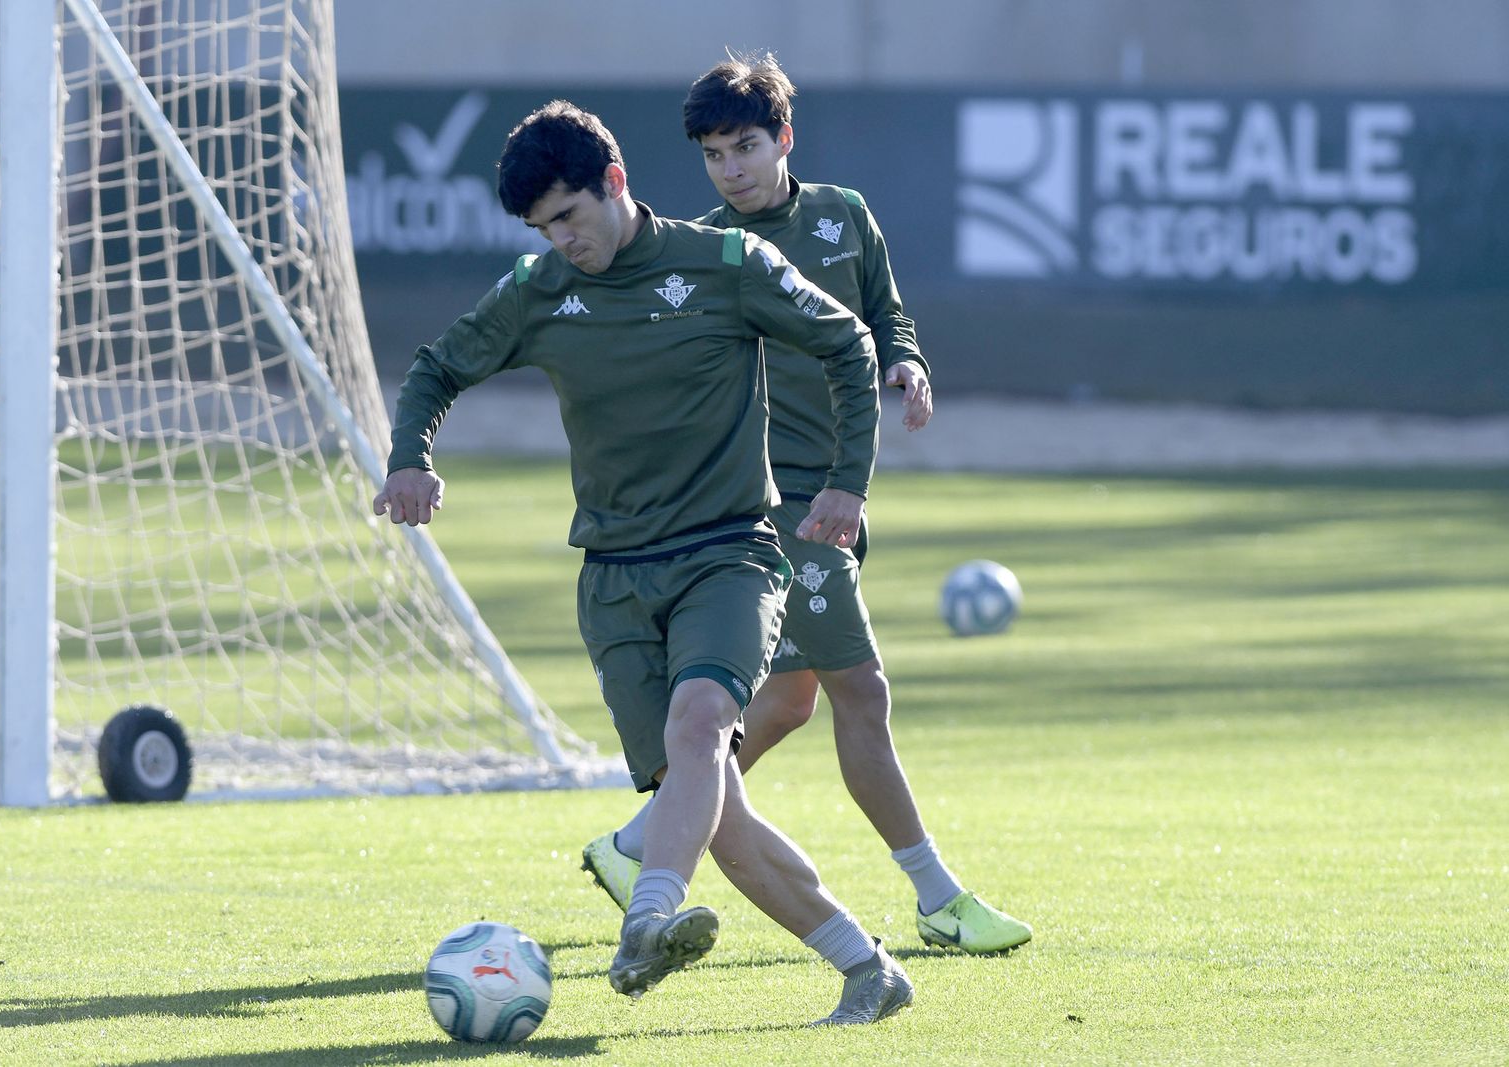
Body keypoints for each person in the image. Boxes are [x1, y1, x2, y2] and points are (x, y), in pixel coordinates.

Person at [375, 100, 913, 1026]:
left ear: (614, 183)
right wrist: (410, 457)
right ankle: (867, 966)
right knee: (716, 816)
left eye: (570, 217)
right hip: (616, 578)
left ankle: (648, 916)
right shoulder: (539, 291)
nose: (561, 241)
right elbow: (435, 368)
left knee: (703, 722)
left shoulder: (725, 265)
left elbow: (848, 341)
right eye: (543, 228)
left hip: (730, 555)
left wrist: (845, 485)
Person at [580, 53, 1033, 957]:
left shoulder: (844, 215)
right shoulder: (704, 256)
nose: (731, 168)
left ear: (784, 138)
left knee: (786, 703)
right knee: (862, 690)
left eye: (745, 146)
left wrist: (909, 361)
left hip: (835, 491)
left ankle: (636, 844)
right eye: (713, 155)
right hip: (776, 513)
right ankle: (936, 896)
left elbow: (886, 315)